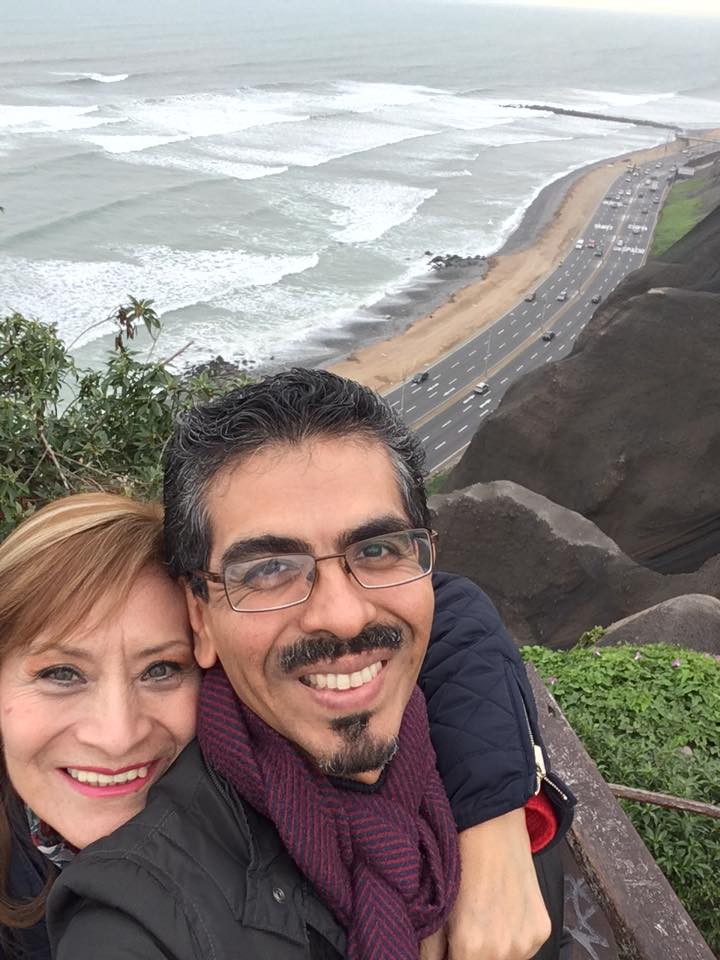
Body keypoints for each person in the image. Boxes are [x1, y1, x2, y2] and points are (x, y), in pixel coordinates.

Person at [47, 370, 573, 960]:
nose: (343, 617)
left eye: (376, 550)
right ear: (200, 617)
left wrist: (498, 818)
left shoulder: (480, 767)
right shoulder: (137, 920)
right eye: (269, 569)